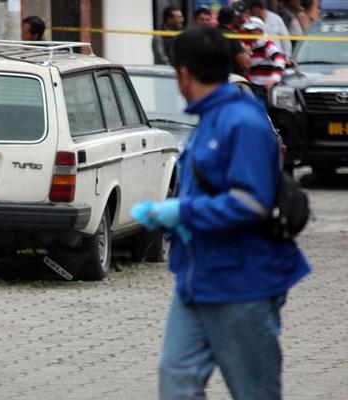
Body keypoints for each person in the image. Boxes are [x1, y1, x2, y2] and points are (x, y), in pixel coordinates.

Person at [130, 27, 310, 400]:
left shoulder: (242, 121)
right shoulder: (209, 119)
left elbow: (251, 203)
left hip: (242, 282)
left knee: (254, 391)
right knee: (176, 379)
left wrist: (182, 211)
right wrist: (175, 218)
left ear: (183, 74)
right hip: (197, 279)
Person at [243, 16, 287, 94]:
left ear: (260, 30)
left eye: (251, 30)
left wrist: (274, 79)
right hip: (254, 84)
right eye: (247, 30)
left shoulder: (267, 44)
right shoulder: (252, 45)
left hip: (264, 87)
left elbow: (280, 60)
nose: (248, 33)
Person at [217, 6, 251, 76]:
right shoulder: (232, 37)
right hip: (230, 77)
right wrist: (246, 52)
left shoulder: (211, 33)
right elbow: (245, 65)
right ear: (233, 19)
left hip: (212, 77)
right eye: (237, 17)